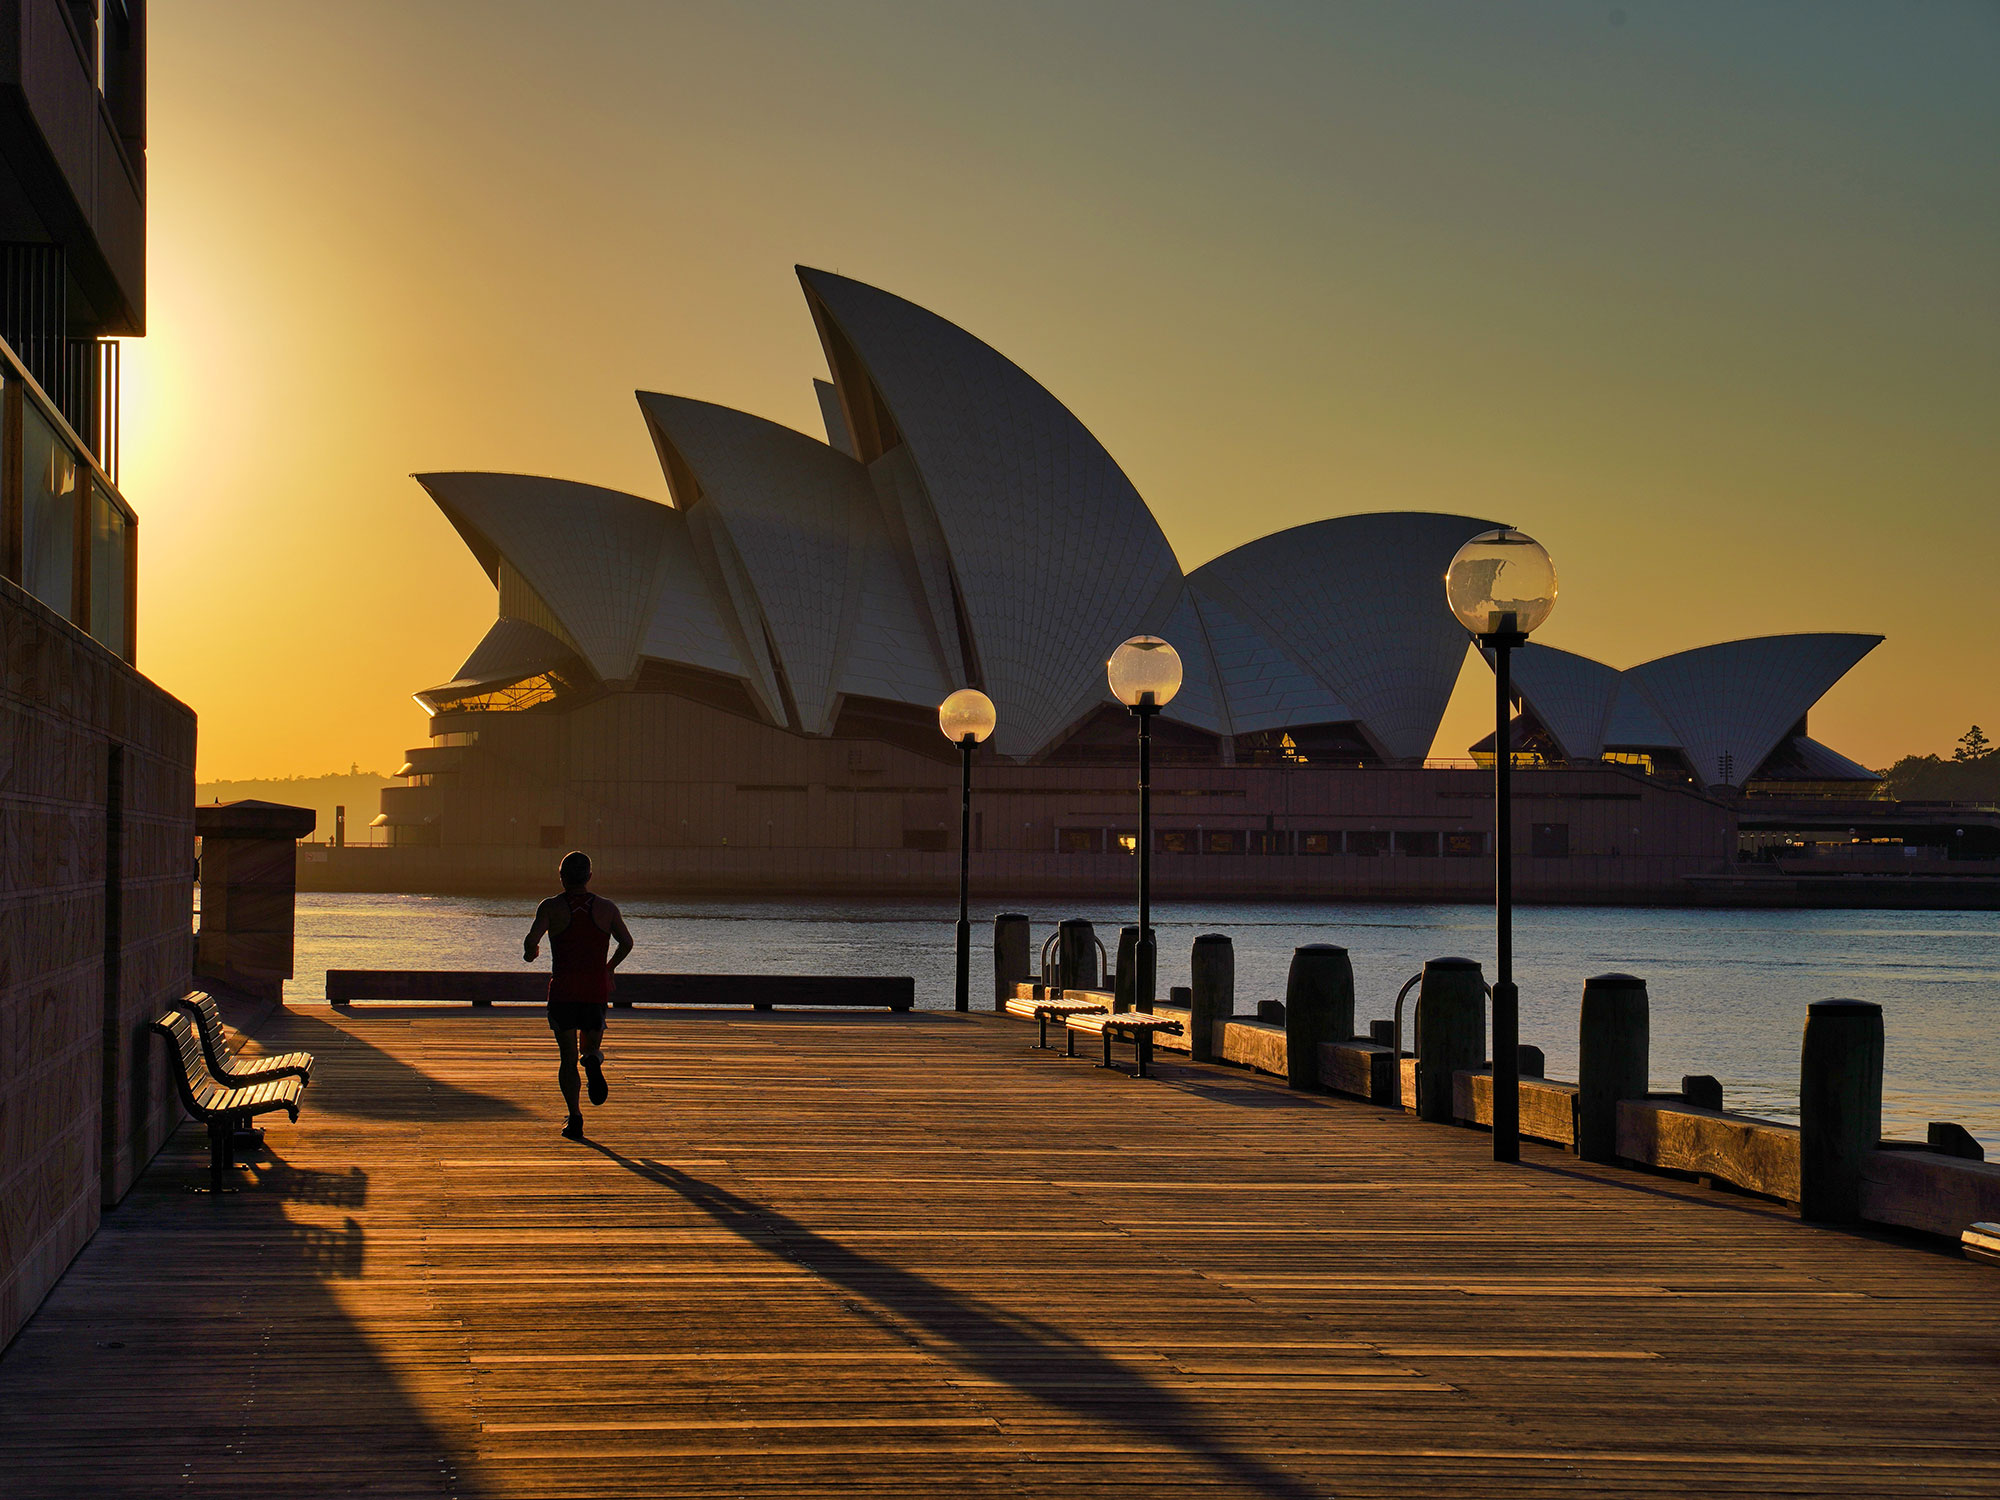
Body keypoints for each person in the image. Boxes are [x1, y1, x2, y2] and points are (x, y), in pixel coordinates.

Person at [523, 851, 633, 1140]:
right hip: (595, 990)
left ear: (561, 877)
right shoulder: (607, 908)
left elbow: (531, 941)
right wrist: (609, 967)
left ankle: (575, 1117)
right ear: (590, 877)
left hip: (563, 991)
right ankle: (594, 1059)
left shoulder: (550, 907)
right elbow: (626, 942)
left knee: (567, 1057)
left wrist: (531, 952)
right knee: (589, 1047)